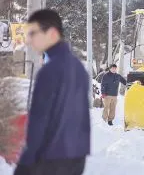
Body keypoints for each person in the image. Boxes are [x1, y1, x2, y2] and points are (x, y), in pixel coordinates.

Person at [14, 9, 90, 175]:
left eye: (33, 33)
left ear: (52, 34)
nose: (28, 40)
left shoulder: (50, 71)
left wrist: (26, 161)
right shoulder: (78, 68)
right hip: (77, 156)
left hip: (50, 158)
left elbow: (40, 120)